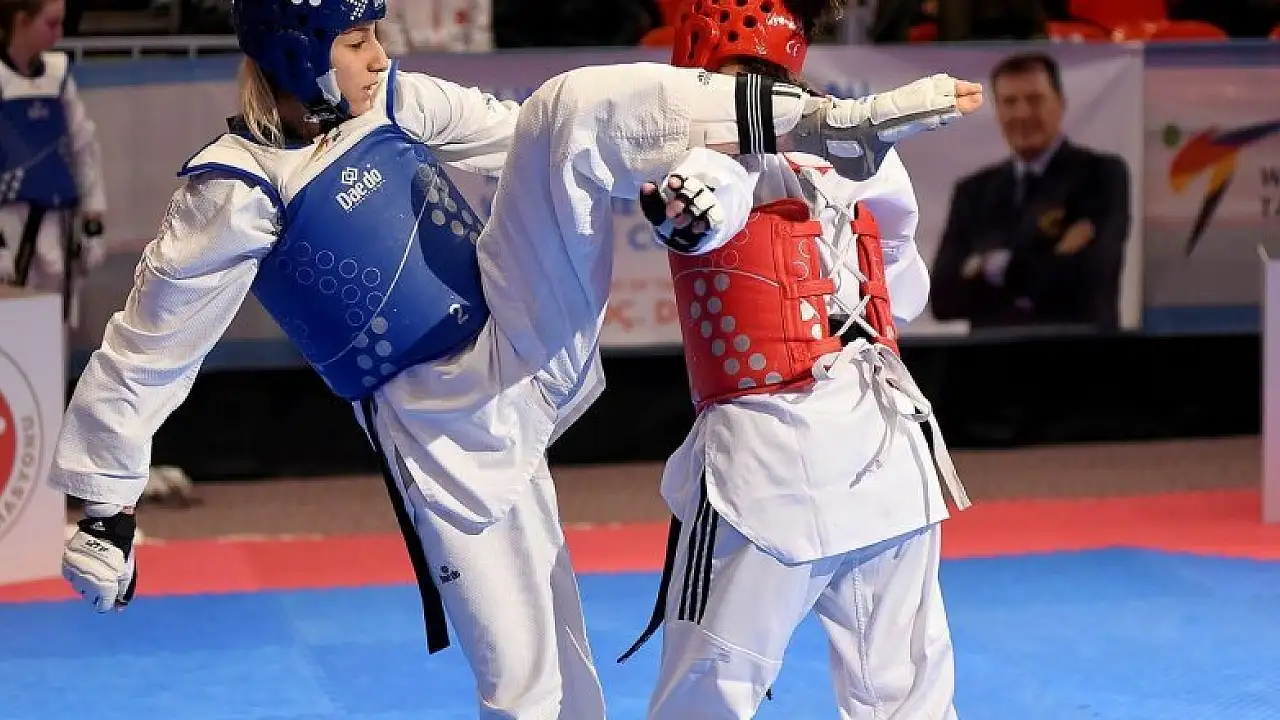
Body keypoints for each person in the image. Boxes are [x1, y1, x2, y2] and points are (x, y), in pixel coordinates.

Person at [48, 0, 977, 716]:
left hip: (521, 335)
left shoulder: (399, 102)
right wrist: (104, 503)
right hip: (443, 428)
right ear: (297, 55)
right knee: (534, 685)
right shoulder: (234, 191)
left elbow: (538, 137)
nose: (379, 57)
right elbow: (147, 347)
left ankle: (821, 121)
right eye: (356, 42)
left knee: (565, 111)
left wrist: (680, 161)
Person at [617, 1, 977, 718]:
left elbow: (707, 202)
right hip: (888, 451)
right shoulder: (864, 151)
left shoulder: (711, 151)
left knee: (705, 692)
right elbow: (904, 294)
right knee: (904, 694)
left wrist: (684, 219)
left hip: (771, 469)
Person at [931, 51, 1131, 332]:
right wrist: (1053, 259)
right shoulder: (973, 193)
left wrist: (989, 268)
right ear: (997, 111)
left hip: (1078, 354)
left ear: (1060, 104)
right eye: (1010, 102)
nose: (1022, 114)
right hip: (991, 358)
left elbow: (1092, 277)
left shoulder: (1100, 176)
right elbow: (942, 299)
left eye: (1035, 100)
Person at [0, 0, 106, 325]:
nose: (59, 33)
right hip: (8, 222)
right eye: (51, 23)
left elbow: (83, 148)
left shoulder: (58, 76)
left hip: (57, 220)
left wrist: (93, 220)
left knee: (54, 325)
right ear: (22, 21)